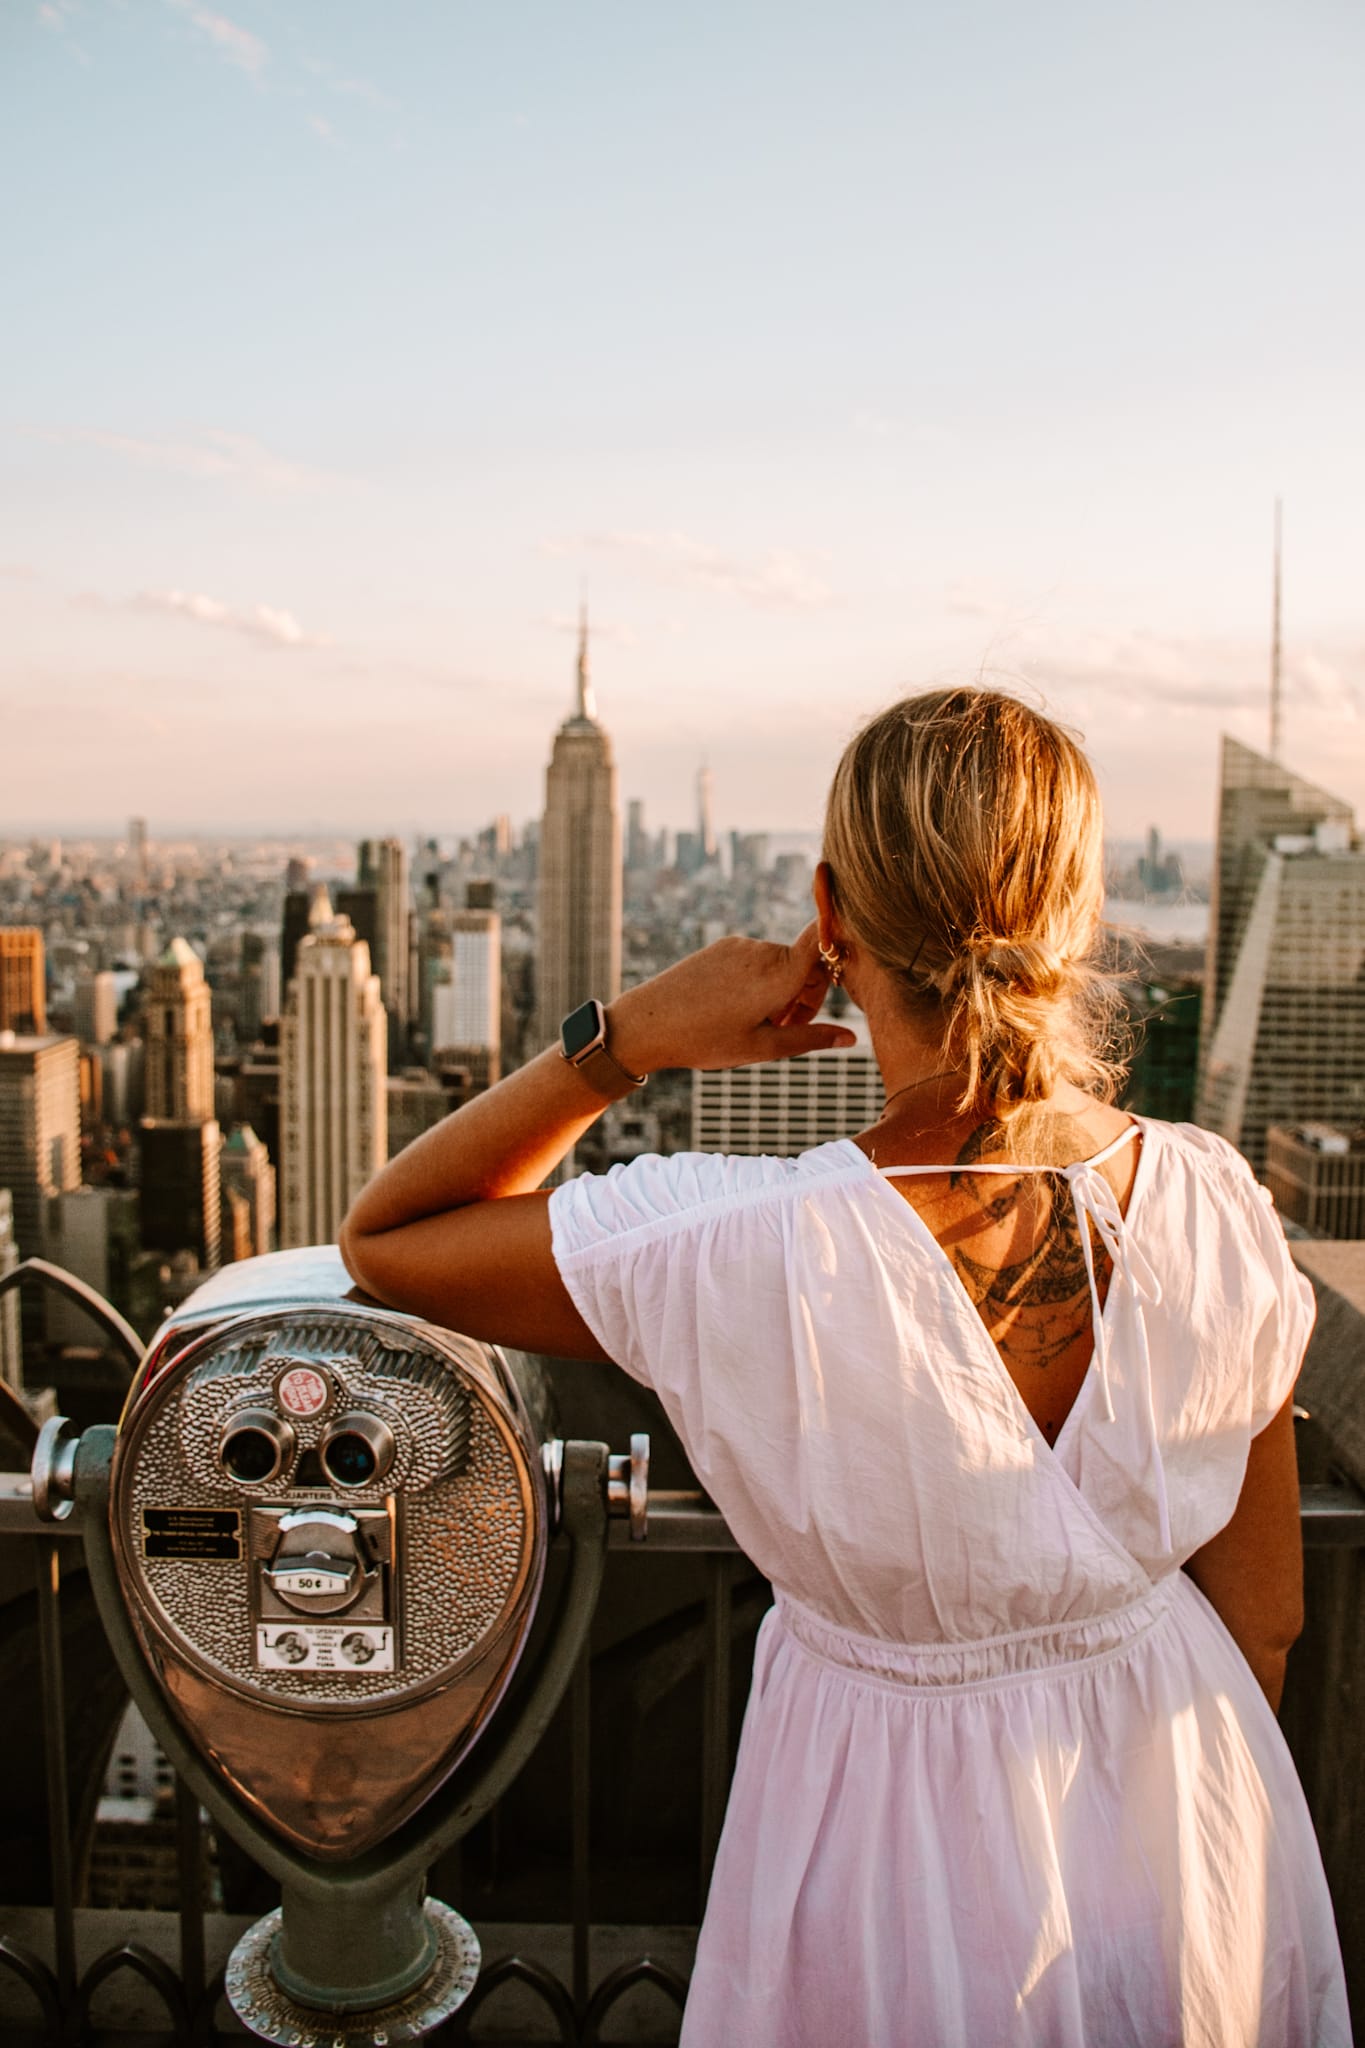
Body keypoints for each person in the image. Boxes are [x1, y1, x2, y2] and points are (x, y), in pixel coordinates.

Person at [339, 687, 1350, 2046]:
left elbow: (390, 1237)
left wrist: (624, 1039)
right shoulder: (1215, 1202)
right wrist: (1180, 1832)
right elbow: (1266, 1619)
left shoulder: (733, 1243)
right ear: (1078, 916)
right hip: (1186, 1793)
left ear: (829, 913)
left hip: (885, 1833)